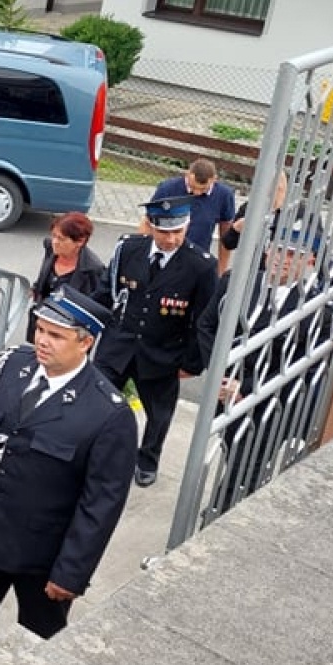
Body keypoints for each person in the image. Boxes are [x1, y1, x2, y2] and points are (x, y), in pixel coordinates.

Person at [0, 286, 137, 654]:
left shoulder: (108, 413)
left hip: (41, 558)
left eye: (56, 335)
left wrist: (72, 572)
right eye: (39, 330)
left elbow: (100, 504)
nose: (42, 341)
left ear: (85, 343)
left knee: (39, 644)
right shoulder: (12, 366)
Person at [197, 225, 332, 514]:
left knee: (249, 461)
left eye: (293, 254)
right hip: (225, 390)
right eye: (278, 249)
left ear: (310, 260)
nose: (282, 258)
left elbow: (303, 365)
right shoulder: (237, 282)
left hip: (270, 401)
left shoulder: (317, 307)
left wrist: (246, 390)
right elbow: (207, 326)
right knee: (230, 449)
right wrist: (221, 376)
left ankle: (220, 513)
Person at [93, 197, 220, 488]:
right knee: (98, 403)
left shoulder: (201, 266)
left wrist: (192, 363)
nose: (171, 239)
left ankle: (147, 459)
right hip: (118, 346)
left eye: (178, 231)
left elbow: (203, 320)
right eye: (164, 232)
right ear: (150, 226)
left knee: (158, 415)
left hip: (162, 353)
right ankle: (97, 452)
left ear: (187, 226)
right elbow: (106, 293)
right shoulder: (128, 248)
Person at [143, 158, 237, 274]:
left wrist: (220, 271)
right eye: (193, 187)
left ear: (214, 180)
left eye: (203, 189)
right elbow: (148, 223)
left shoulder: (224, 195)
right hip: (164, 256)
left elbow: (226, 236)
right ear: (187, 175)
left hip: (196, 259)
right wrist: (143, 259)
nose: (197, 193)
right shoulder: (167, 189)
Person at [28, 212, 106, 341]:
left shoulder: (93, 269)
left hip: (67, 332)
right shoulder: (50, 248)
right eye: (54, 236)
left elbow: (94, 308)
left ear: (80, 241)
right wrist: (36, 288)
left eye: (61, 239)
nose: (55, 242)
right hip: (43, 319)